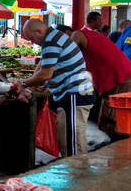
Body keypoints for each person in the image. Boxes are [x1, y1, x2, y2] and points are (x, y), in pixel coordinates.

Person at [24, 19, 94, 157]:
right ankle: (76, 174)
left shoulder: (51, 41)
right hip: (73, 95)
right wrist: (45, 84)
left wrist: (24, 84)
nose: (33, 42)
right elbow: (55, 69)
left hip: (73, 95)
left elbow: (46, 73)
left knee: (72, 144)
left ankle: (78, 175)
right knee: (68, 141)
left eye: (32, 38)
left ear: (38, 31)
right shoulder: (54, 37)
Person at [77, 17, 131, 134]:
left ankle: (113, 148)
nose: (101, 22)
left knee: (111, 120)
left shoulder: (80, 35)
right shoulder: (91, 36)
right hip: (120, 77)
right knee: (108, 118)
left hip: (121, 78)